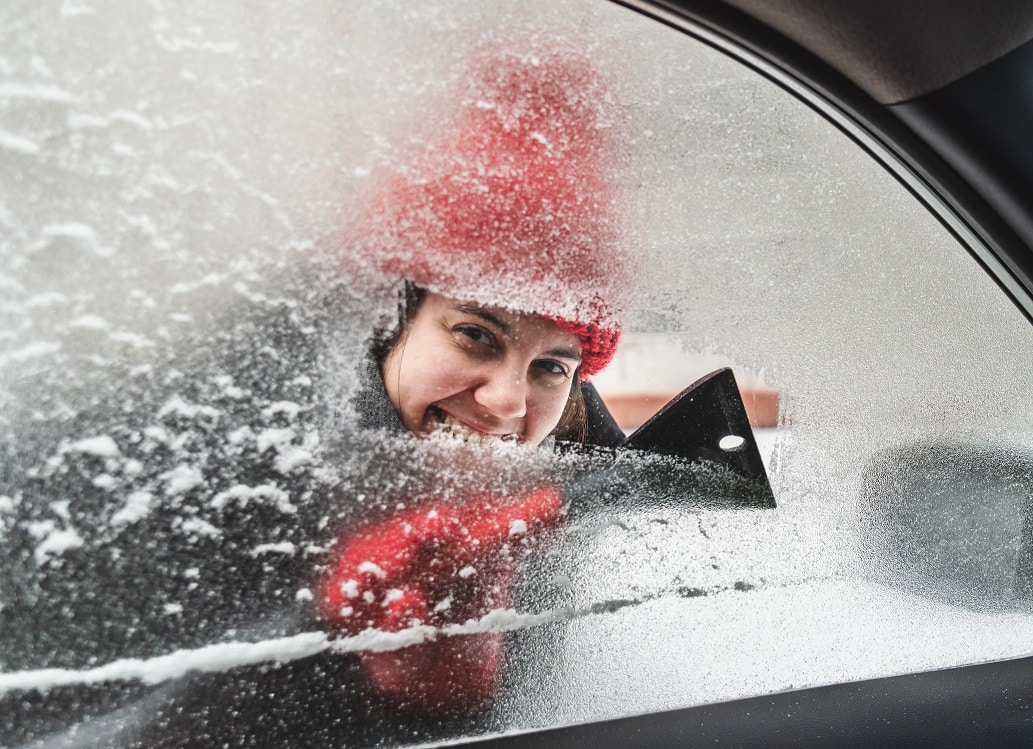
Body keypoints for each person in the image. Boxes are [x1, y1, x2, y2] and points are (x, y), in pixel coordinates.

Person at [317, 44, 631, 715]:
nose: (507, 402)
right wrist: (325, 643)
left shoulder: (578, 479)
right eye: (475, 335)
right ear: (388, 321)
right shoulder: (248, 462)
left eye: (550, 366)